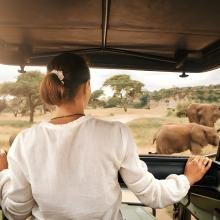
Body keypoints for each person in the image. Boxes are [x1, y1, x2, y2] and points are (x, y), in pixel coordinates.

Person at [0, 53, 212, 220]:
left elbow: (15, 212)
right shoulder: (116, 133)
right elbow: (152, 195)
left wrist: (4, 175)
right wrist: (187, 178)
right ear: (87, 88)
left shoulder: (24, 141)